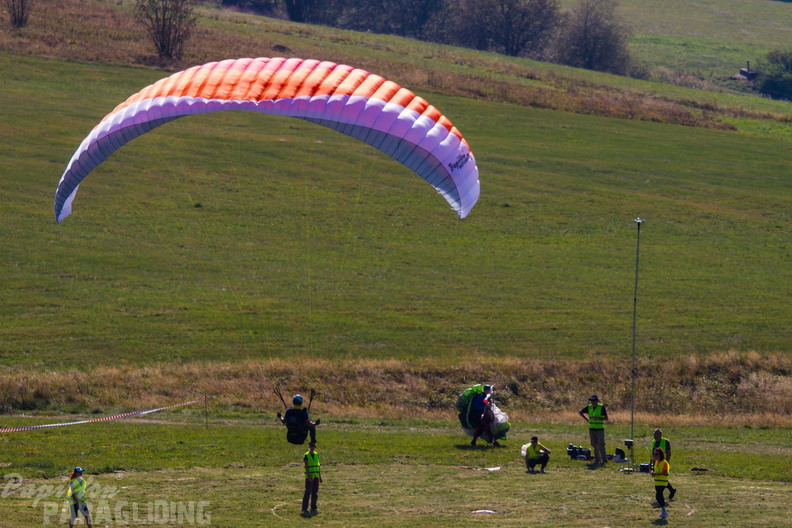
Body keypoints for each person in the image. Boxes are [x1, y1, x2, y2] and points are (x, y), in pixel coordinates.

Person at [579, 394, 608, 464]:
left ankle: (604, 460)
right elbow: (580, 412)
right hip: (592, 429)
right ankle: (597, 459)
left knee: (601, 445)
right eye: (591, 401)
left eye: (594, 401)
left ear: (597, 401)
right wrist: (586, 419)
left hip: (599, 429)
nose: (592, 402)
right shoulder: (589, 407)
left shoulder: (601, 407)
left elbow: (606, 418)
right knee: (594, 444)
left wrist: (598, 418)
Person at [650, 428, 676, 500]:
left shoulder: (665, 442)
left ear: (660, 435)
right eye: (654, 434)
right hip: (656, 462)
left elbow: (668, 453)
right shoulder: (653, 442)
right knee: (660, 477)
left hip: (663, 462)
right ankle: (672, 490)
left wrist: (666, 462)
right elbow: (652, 453)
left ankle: (661, 493)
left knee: (662, 476)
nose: (655, 436)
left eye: (656, 434)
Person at [301, 441, 322, 516]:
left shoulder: (316, 454)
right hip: (310, 477)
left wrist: (320, 476)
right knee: (308, 492)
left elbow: (318, 466)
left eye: (313, 447)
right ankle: (304, 509)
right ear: (309, 447)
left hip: (316, 476)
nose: (312, 448)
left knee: (315, 492)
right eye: (311, 446)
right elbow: (306, 466)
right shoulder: (306, 455)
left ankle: (313, 507)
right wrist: (309, 476)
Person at [650, 447, 670, 519]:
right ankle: (663, 510)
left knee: (658, 496)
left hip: (662, 482)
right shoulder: (656, 462)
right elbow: (653, 470)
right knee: (659, 496)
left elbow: (665, 473)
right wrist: (652, 471)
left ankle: (664, 510)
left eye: (657, 454)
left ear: (660, 455)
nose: (655, 456)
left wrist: (656, 474)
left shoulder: (664, 463)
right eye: (654, 454)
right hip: (657, 482)